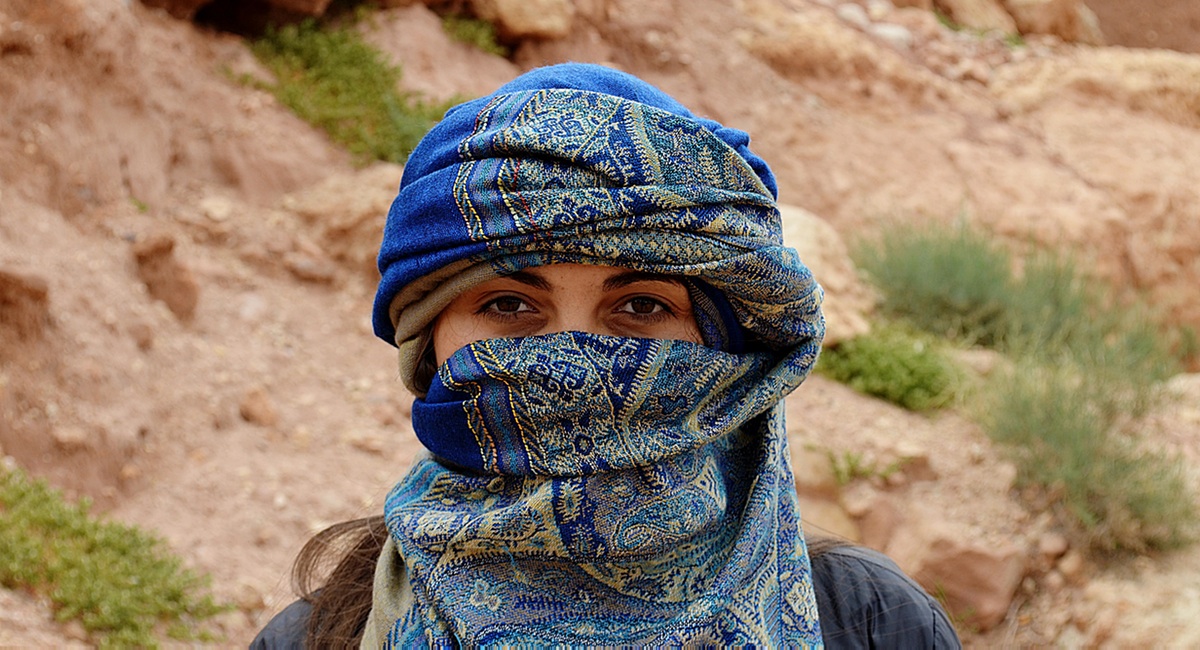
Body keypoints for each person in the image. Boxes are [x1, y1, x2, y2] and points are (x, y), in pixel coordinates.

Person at [253, 62, 960, 648]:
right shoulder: (322, 636)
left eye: (642, 307)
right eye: (508, 306)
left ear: (721, 347)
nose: (570, 359)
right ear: (428, 339)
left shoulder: (875, 623)